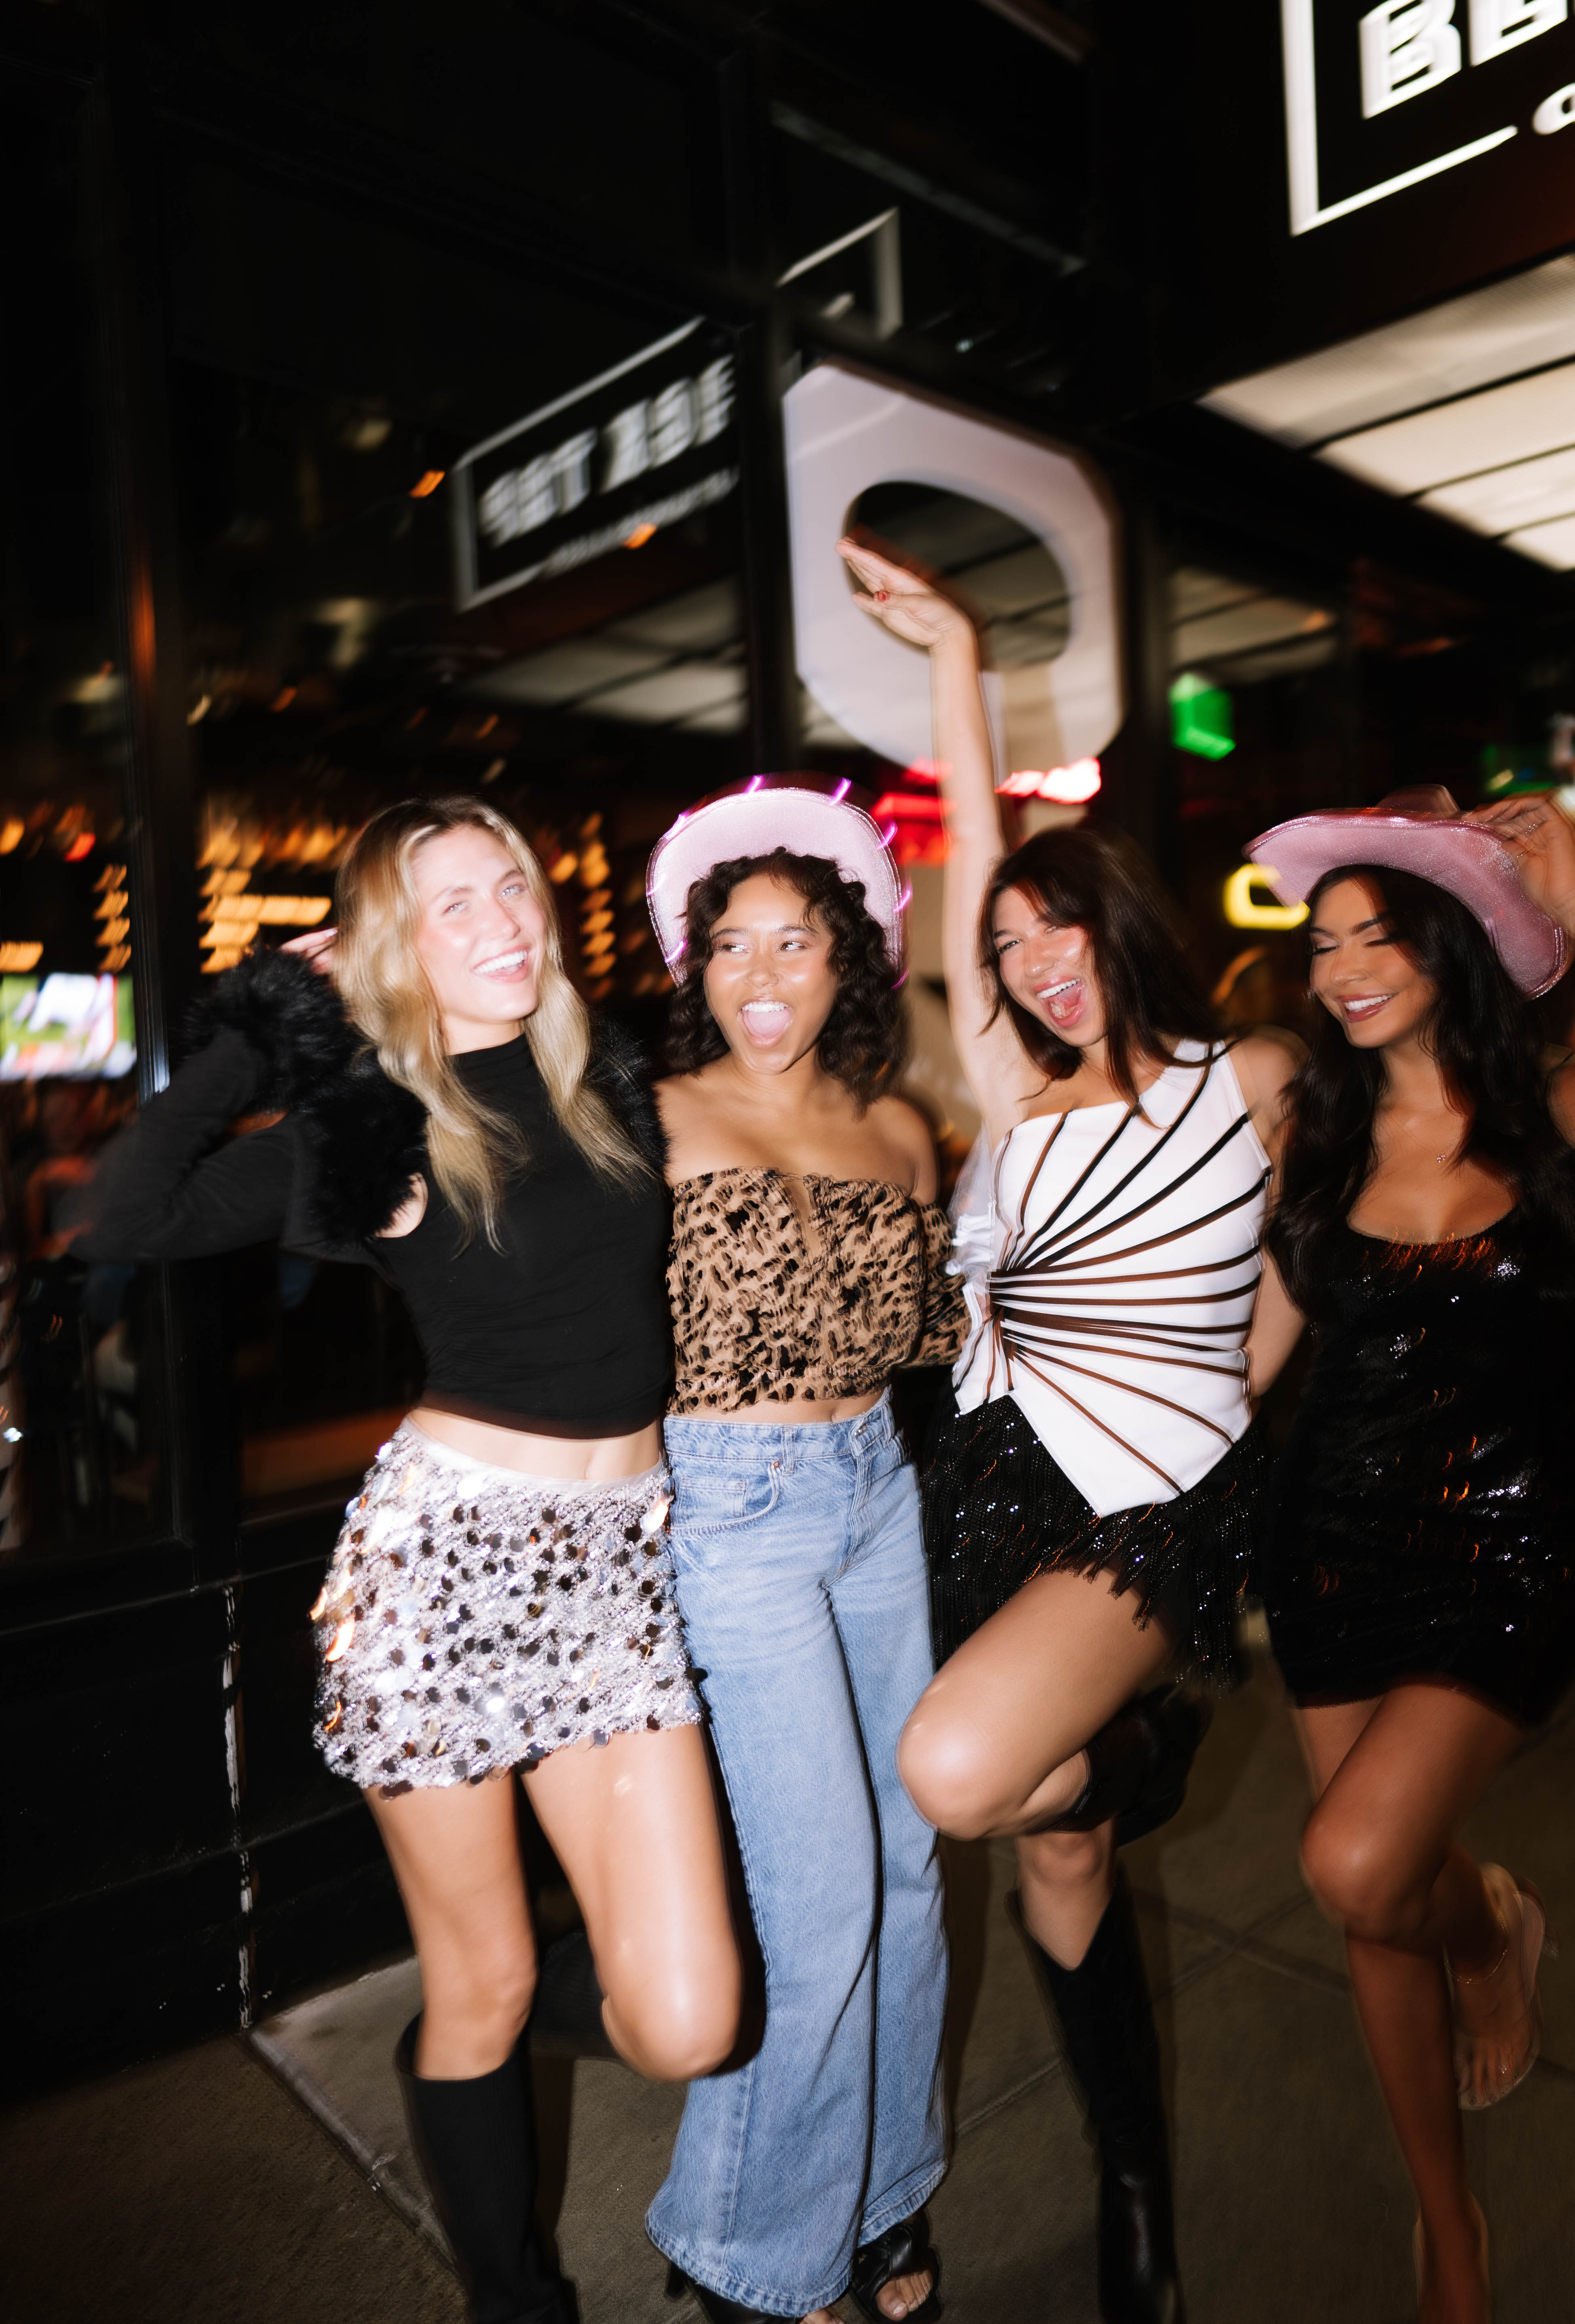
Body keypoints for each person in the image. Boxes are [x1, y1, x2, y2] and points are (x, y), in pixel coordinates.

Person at [83, 795, 742, 2324]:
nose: (502, 922)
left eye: (509, 884)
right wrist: (267, 1023)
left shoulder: (606, 1085)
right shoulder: (376, 1122)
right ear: (395, 943)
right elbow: (131, 1213)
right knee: (490, 1983)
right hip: (443, 1575)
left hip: (614, 1576)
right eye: (452, 906)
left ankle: (476, 2018)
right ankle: (515, 2290)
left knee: (690, 2013)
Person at [839, 537, 1298, 2324]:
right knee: (1050, 1834)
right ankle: (1136, 2193)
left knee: (956, 1772)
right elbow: (966, 892)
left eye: (1059, 927)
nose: (1031, 965)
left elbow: (1327, 1251)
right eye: (1006, 946)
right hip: (980, 1485)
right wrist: (955, 657)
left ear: (1122, 917)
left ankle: (1161, 1746)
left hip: (1144, 1516)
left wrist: (1231, 1400)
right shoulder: (1006, 1110)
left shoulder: (1238, 1082)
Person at [1248, 787, 1575, 2324]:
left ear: (1451, 946)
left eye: (1378, 935)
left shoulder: (1568, 1116)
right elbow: (1257, 1354)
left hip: (1511, 1544)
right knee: (1371, 1900)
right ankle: (1448, 2224)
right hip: (1329, 1541)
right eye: (1326, 942)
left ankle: (1494, 1923)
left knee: (1356, 1855)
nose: (1342, 967)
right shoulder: (1319, 1135)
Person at [640, 776, 969, 2324]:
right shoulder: (651, 1120)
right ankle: (748, 2250)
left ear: (849, 964)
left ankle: (884, 2195)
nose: (761, 977)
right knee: (821, 1895)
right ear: (693, 966)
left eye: (796, 944)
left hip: (875, 1493)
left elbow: (949, 1337)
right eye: (731, 947)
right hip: (732, 1509)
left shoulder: (902, 1130)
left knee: (910, 1867)